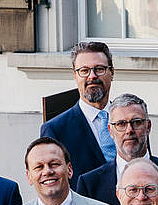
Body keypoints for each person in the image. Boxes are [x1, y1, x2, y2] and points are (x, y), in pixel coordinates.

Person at [75, 94, 158, 205]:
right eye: (121, 124)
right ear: (110, 131)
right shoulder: (90, 184)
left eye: (136, 122)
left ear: (148, 127)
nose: (129, 130)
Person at [40, 41, 118, 179]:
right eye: (84, 71)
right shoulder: (56, 130)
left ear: (112, 73)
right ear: (75, 75)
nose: (92, 76)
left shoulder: (132, 120)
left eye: (99, 69)